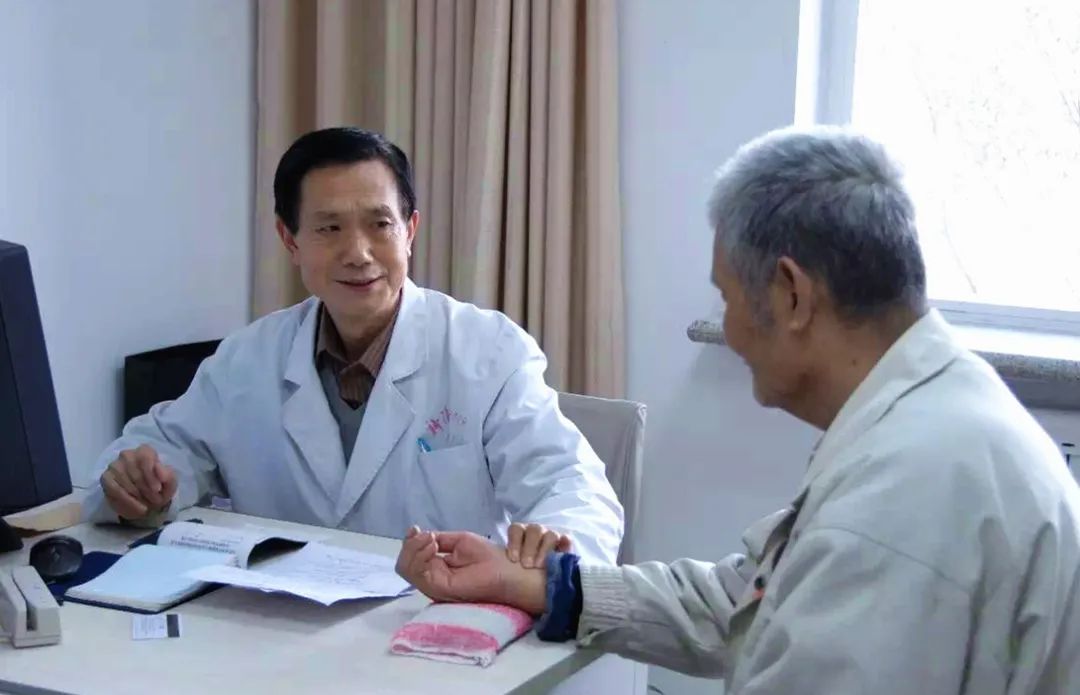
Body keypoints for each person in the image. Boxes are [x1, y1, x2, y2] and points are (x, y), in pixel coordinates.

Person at [397, 127, 1080, 693]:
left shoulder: (903, 500)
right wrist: (549, 586)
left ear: (791, 294)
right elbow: (743, 601)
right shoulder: (931, 415)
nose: (727, 325)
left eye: (725, 296)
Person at [84, 127, 623, 565]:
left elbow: (572, 487)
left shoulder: (489, 352)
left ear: (410, 231)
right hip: (278, 630)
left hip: (436, 622)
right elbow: (156, 454)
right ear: (290, 239)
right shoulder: (246, 360)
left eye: (379, 224)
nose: (358, 253)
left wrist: (553, 547)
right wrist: (135, 485)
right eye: (329, 229)